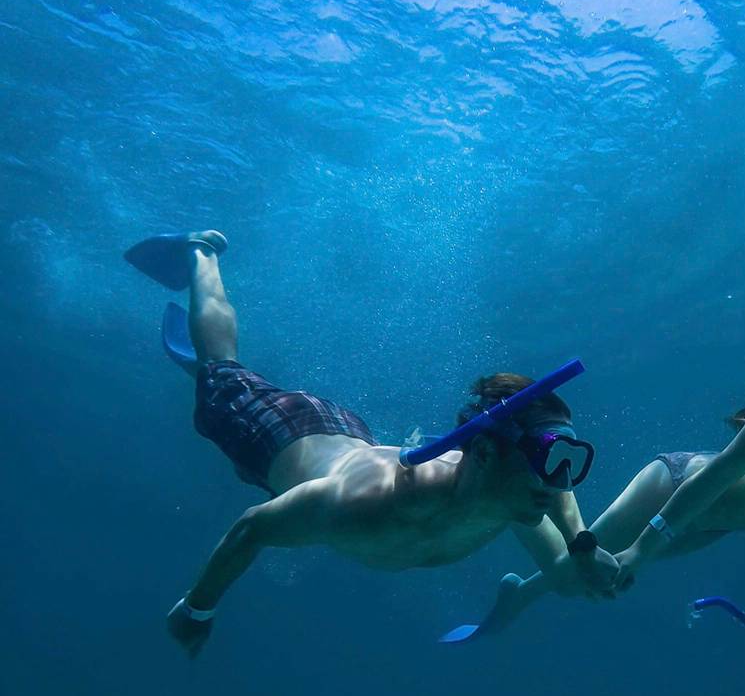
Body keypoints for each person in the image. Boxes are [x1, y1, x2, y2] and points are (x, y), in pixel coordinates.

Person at [122, 231, 616, 655]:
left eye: (565, 460)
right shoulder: (365, 505)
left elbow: (558, 491)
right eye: (546, 461)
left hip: (353, 441)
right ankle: (201, 252)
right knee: (220, 371)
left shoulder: (516, 492)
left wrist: (582, 545)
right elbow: (251, 530)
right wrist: (198, 610)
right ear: (484, 454)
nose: (559, 479)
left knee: (226, 380)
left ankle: (221, 378)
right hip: (280, 433)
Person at [451, 268, 745, 639]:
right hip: (679, 491)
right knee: (580, 575)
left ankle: (520, 592)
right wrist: (644, 548)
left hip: (716, 521)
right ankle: (509, 520)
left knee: (580, 581)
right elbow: (728, 467)